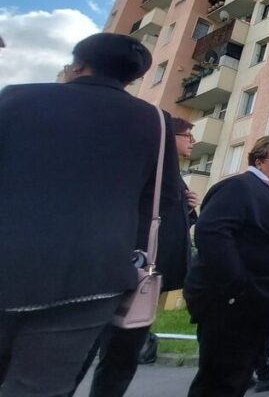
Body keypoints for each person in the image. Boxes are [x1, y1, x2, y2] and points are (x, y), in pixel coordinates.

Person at [0, 33, 185, 396]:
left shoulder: (17, 98)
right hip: (92, 275)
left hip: (8, 258)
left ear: (79, 64)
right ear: (132, 78)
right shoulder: (154, 121)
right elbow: (163, 196)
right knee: (40, 385)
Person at [65, 117, 198, 397]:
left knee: (120, 354)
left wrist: (187, 211)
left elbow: (165, 224)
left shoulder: (172, 176)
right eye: (187, 135)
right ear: (169, 137)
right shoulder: (148, 169)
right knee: (96, 352)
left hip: (142, 278)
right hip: (124, 270)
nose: (192, 142)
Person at [184, 136, 269, 396]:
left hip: (256, 306)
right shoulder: (240, 187)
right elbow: (212, 233)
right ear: (259, 161)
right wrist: (237, 287)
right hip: (233, 306)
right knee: (219, 382)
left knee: (236, 378)